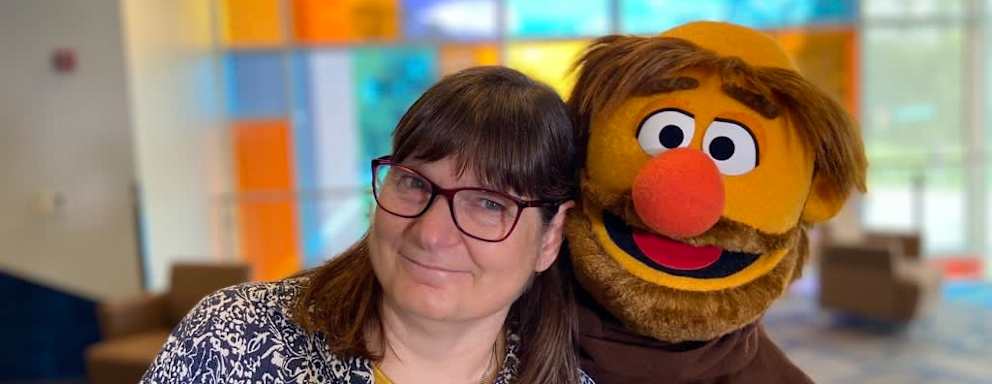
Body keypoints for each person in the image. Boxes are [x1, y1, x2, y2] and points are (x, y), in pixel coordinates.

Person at [142, 66, 593, 384]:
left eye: (489, 204)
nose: (431, 234)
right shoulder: (232, 338)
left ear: (550, 237)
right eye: (414, 183)